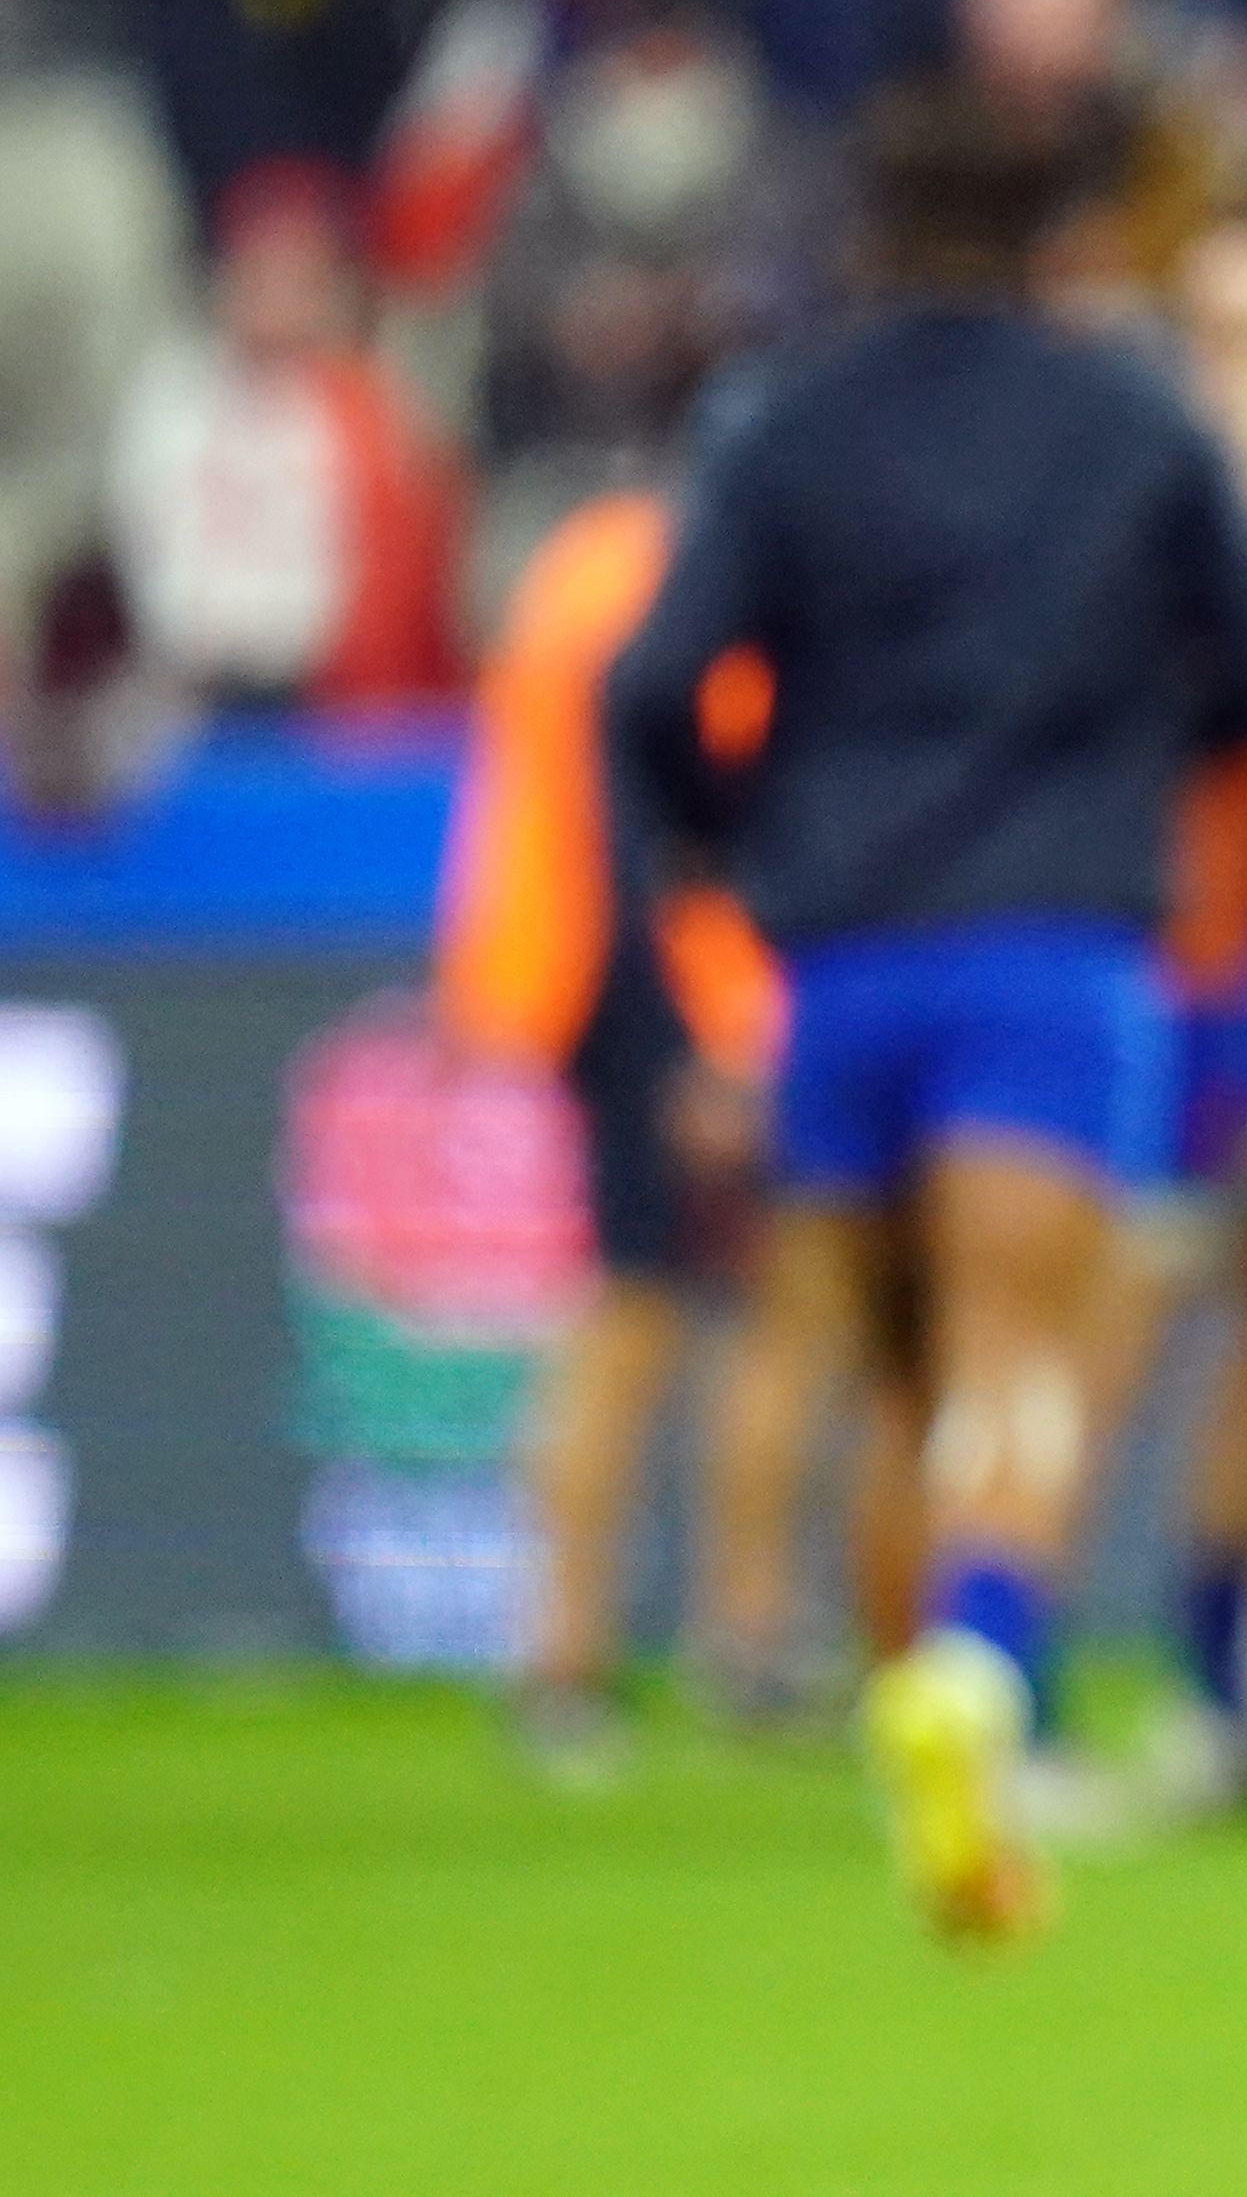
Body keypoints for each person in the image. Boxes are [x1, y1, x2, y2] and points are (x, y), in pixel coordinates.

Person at [605, 84, 1247, 1942]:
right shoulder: (1130, 415)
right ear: (1052, 237)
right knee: (1019, 1350)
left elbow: (656, 677)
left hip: (840, 953)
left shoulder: (787, 426)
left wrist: (723, 846)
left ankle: (915, 1761)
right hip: (1054, 943)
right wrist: (1140, 749)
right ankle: (986, 1686)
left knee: (872, 1362)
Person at [438, 476, 821, 1775]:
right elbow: (682, 822)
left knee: (641, 1307)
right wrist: (729, 1028)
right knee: (718, 1309)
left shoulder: (580, 557)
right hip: (674, 985)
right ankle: (707, 1641)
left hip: (581, 977)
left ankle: (579, 1654)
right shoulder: (699, 581)